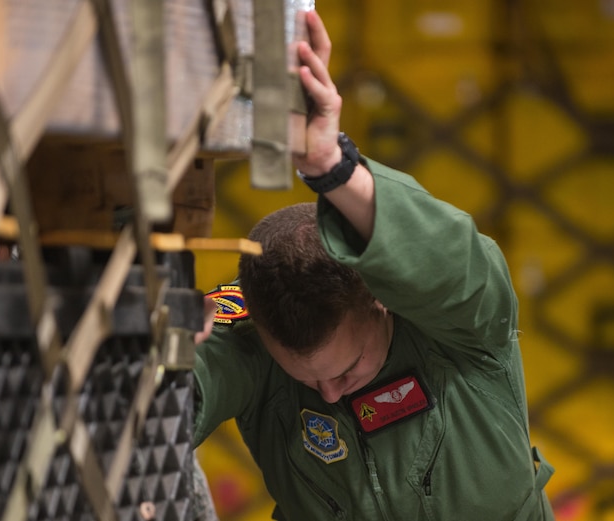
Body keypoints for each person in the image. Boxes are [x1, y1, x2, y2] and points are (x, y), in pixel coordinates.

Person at [193, 9, 555, 520]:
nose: (329, 393)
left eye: (346, 368)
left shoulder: (462, 328)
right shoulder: (248, 322)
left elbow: (450, 261)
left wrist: (330, 166)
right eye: (306, 378)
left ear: (379, 298)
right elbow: (191, 381)